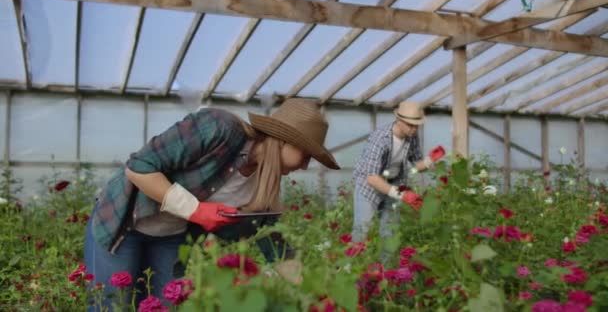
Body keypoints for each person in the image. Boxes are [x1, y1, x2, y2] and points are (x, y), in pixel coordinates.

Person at [84, 98, 339, 308]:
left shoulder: (264, 186)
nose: (306, 165)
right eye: (306, 154)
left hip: (171, 237)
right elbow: (138, 167)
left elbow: (275, 246)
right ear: (284, 140)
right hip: (124, 222)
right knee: (111, 305)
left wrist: (315, 297)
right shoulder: (219, 127)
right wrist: (195, 210)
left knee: (161, 306)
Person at [351, 101, 445, 247]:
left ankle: (386, 268)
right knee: (362, 231)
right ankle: (353, 267)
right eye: (410, 125)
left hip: (394, 182)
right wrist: (402, 194)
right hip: (368, 186)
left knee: (390, 233)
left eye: (417, 125)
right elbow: (372, 178)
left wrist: (430, 160)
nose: (414, 129)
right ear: (399, 120)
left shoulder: (412, 136)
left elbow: (416, 165)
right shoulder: (379, 139)